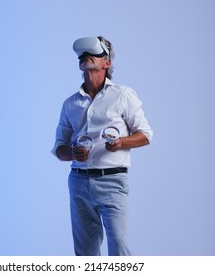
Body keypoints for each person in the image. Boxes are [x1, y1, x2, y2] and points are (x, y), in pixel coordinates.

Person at [51, 36, 153, 256]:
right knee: (85, 254)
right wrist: (71, 153)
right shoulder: (70, 104)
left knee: (118, 249)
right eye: (82, 56)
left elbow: (146, 135)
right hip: (79, 181)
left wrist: (121, 142)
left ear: (106, 62)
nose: (86, 58)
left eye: (93, 54)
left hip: (113, 181)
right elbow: (59, 147)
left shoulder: (123, 95)